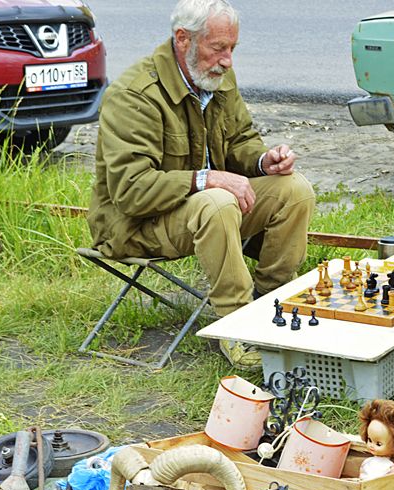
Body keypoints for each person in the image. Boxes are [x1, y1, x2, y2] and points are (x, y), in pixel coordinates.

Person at [87, 0, 315, 370]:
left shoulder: (217, 78)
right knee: (217, 202)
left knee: (295, 189)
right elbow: (130, 192)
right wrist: (205, 179)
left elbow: (241, 139)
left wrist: (263, 160)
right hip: (136, 225)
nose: (228, 61)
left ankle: (270, 301)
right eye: (218, 48)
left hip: (206, 209)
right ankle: (237, 328)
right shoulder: (134, 95)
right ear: (183, 39)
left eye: (232, 49)